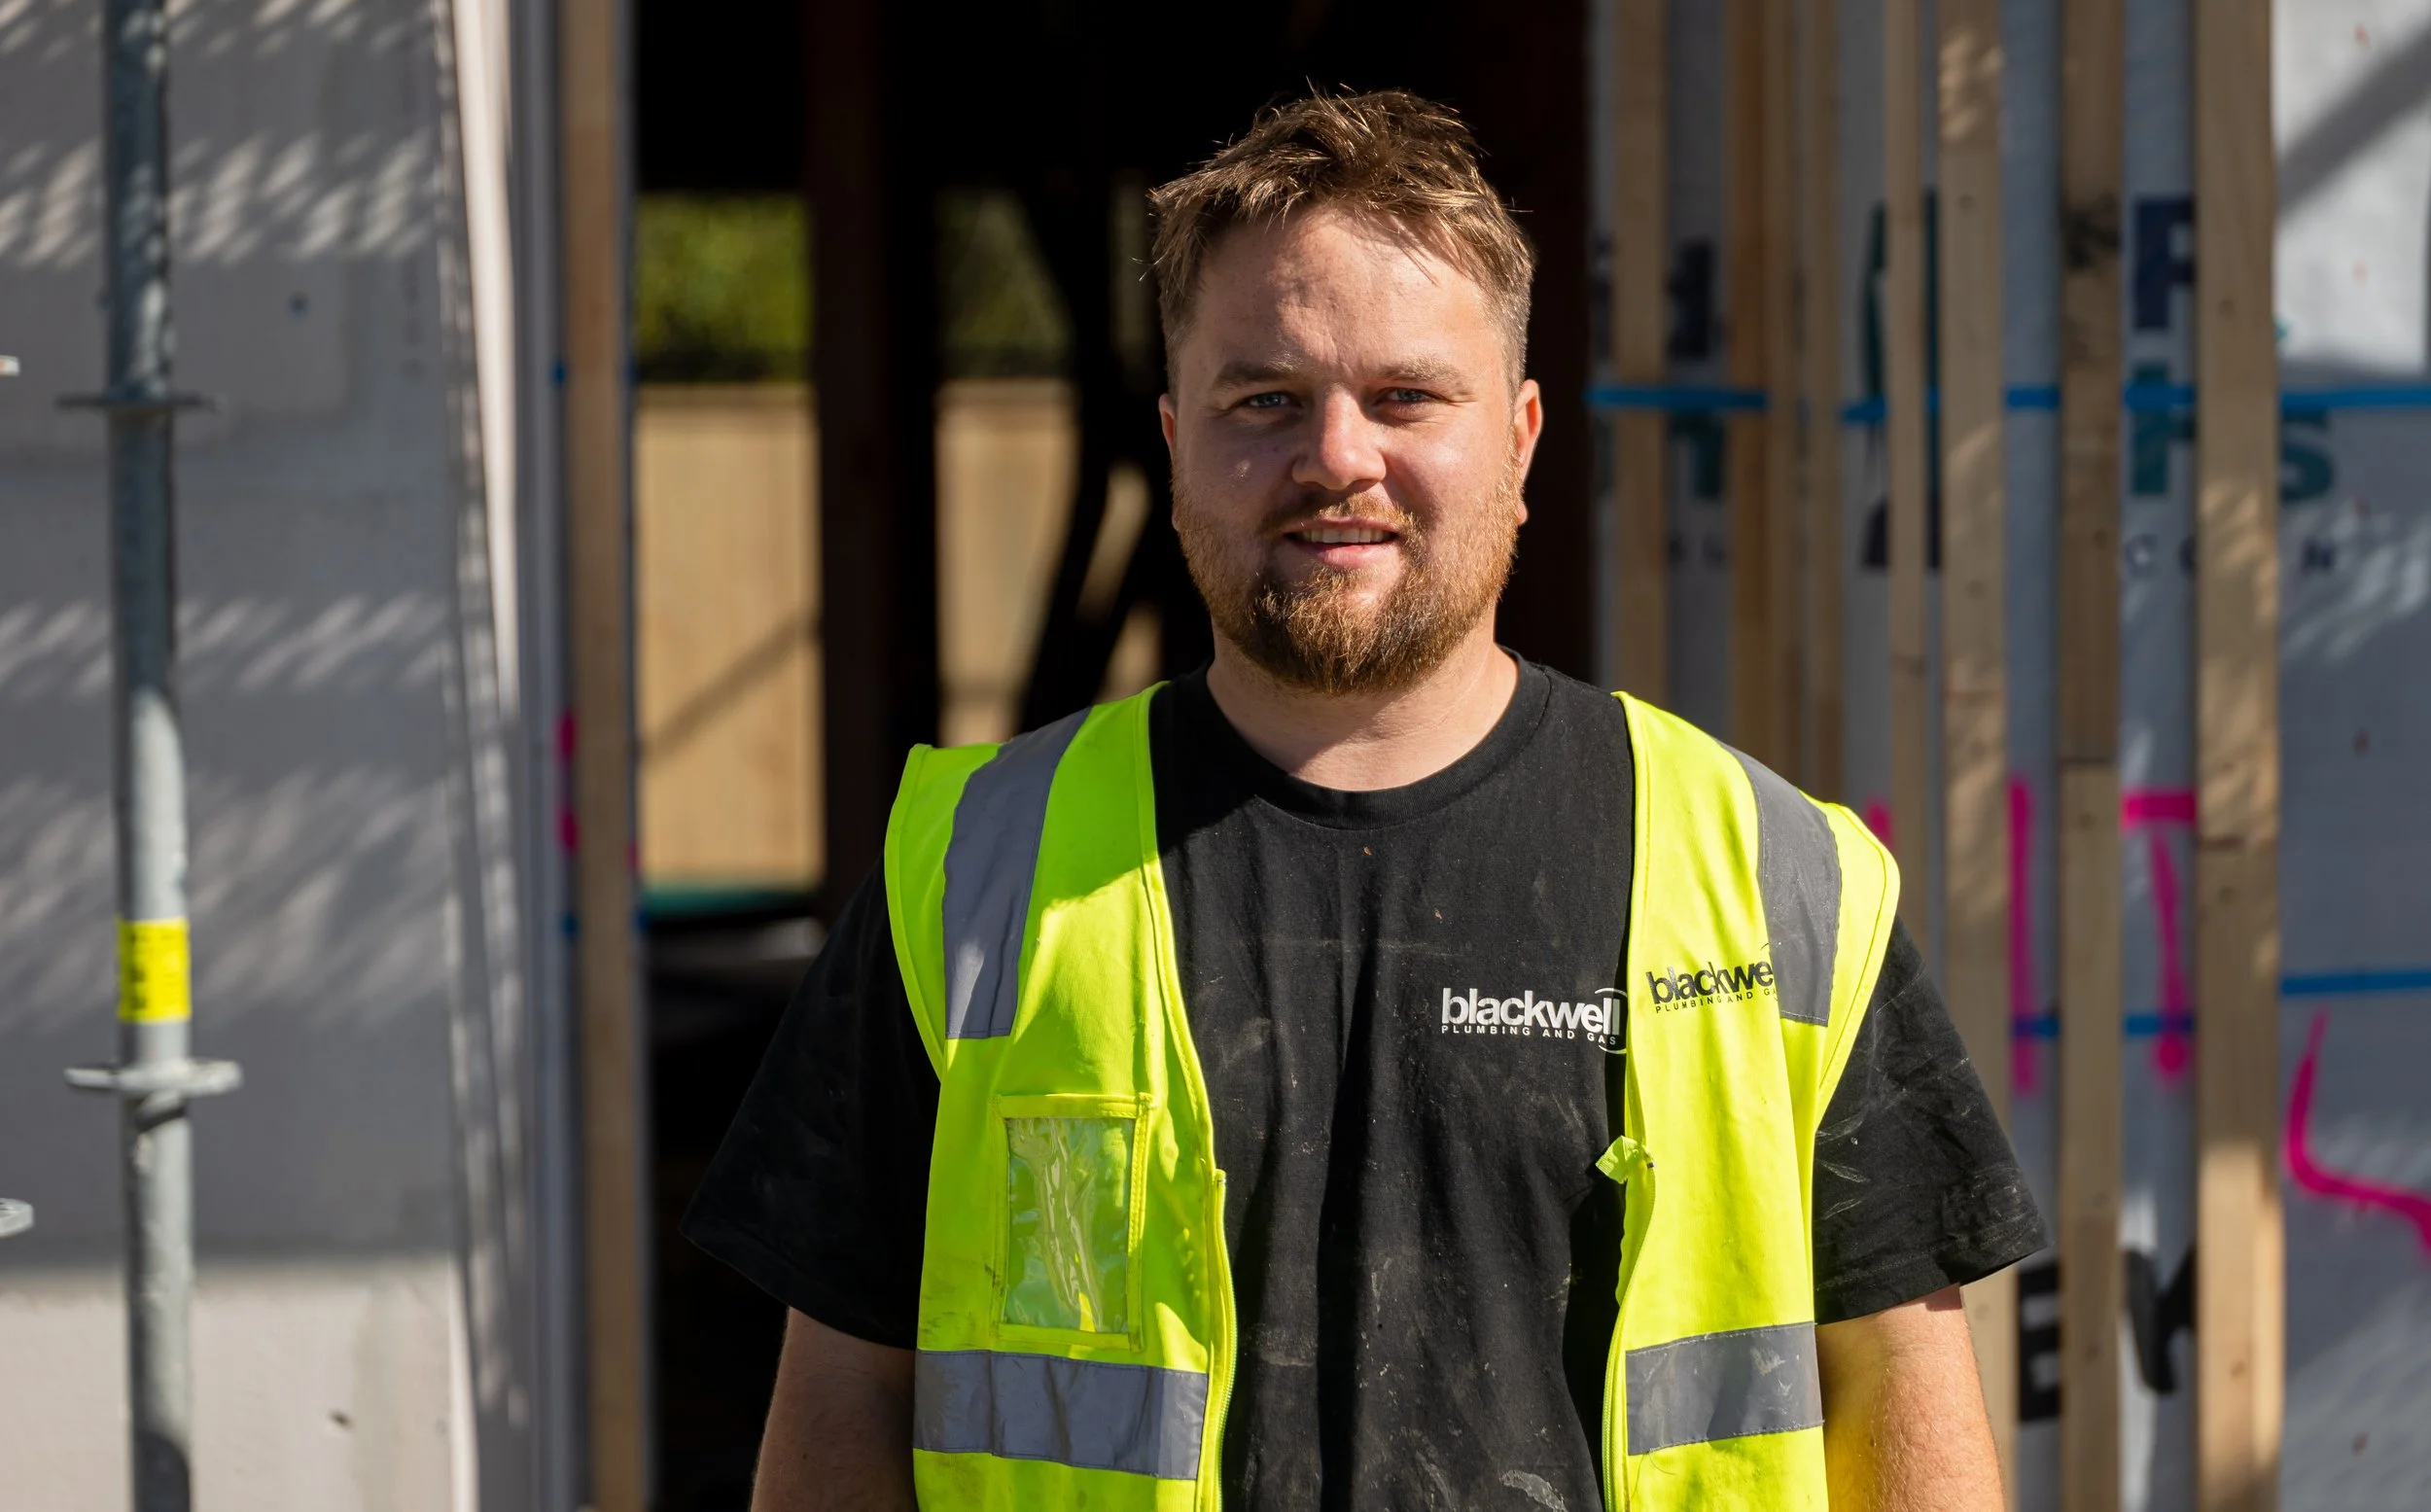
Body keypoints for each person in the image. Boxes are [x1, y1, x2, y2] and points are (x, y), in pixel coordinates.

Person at [685, 89, 2047, 1511]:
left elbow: (1897, 1395)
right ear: (1173, 440)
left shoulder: (1775, 879)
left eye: (1405, 397)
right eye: (1263, 400)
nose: (1336, 456)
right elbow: (845, 1396)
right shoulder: (965, 875)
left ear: (1520, 442)